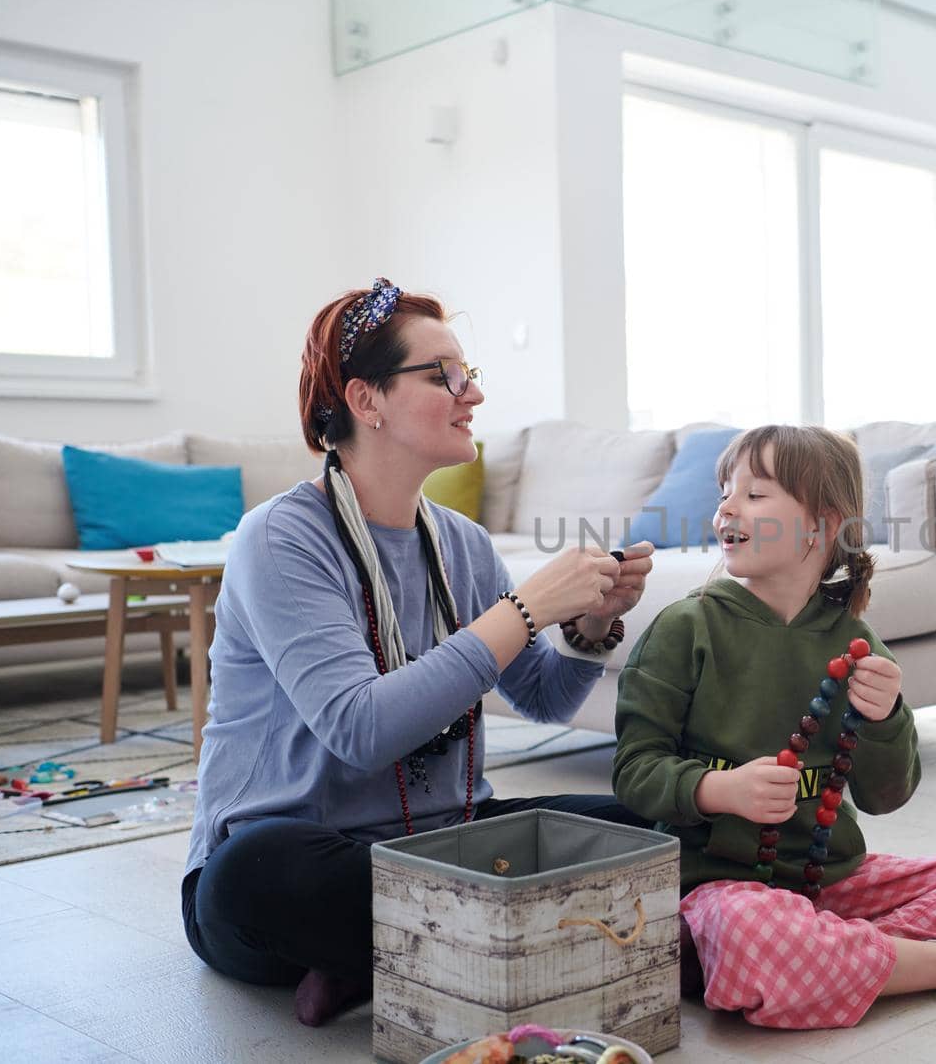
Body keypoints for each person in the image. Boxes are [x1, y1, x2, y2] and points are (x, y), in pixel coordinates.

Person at [182, 278, 655, 1027]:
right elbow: (359, 728)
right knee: (254, 876)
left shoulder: (460, 543)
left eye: (468, 374)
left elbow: (544, 698)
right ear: (366, 401)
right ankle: (505, 944)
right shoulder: (279, 537)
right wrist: (525, 609)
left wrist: (588, 626)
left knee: (657, 816)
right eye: (445, 375)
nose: (472, 395)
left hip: (448, 840)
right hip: (306, 853)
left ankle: (394, 959)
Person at [612, 424, 936, 1030]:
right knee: (753, 933)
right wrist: (718, 790)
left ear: (821, 526)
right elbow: (634, 771)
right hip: (718, 892)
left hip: (835, 881)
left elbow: (885, 795)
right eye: (724, 492)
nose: (726, 507)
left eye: (755, 493)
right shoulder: (685, 628)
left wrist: (886, 717)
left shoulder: (856, 643)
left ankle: (826, 954)